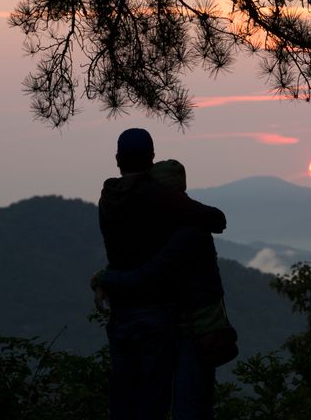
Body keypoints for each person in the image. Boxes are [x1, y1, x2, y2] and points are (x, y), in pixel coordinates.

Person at [96, 128, 226, 420]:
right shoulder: (158, 197)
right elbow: (216, 219)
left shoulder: (107, 198)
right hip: (154, 314)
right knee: (153, 404)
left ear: (117, 159)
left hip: (120, 315)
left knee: (121, 399)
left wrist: (105, 279)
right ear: (151, 159)